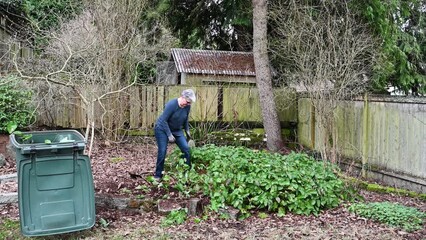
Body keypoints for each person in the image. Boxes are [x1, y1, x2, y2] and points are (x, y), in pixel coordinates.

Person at [153, 89, 196, 180]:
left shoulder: (187, 107)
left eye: (190, 103)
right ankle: (158, 175)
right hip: (162, 129)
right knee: (163, 151)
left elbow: (185, 119)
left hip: (176, 130)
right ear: (183, 97)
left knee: (186, 149)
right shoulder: (172, 104)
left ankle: (186, 173)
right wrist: (169, 135)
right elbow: (163, 120)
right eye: (188, 102)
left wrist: (187, 131)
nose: (188, 104)